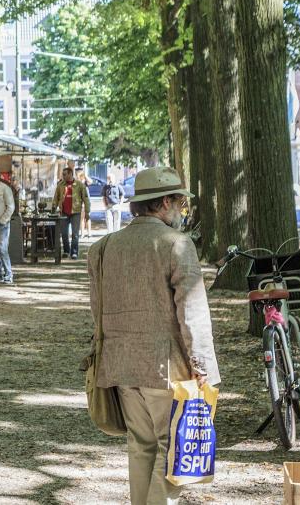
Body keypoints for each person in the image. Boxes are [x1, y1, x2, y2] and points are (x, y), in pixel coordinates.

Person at [87, 166, 220, 505]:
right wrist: (201, 363)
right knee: (173, 449)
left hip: (120, 363)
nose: (182, 211)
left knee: (141, 445)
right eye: (180, 204)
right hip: (166, 366)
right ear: (164, 203)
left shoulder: (104, 247)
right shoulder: (176, 244)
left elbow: (97, 308)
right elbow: (192, 311)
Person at [53, 167, 89, 260]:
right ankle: (66, 251)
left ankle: (74, 252)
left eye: (65, 174)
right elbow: (56, 197)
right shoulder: (60, 185)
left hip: (76, 212)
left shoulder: (79, 185)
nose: (63, 176)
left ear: (70, 174)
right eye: (63, 174)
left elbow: (86, 199)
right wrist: (53, 207)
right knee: (64, 233)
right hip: (64, 212)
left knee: (75, 234)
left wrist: (87, 212)